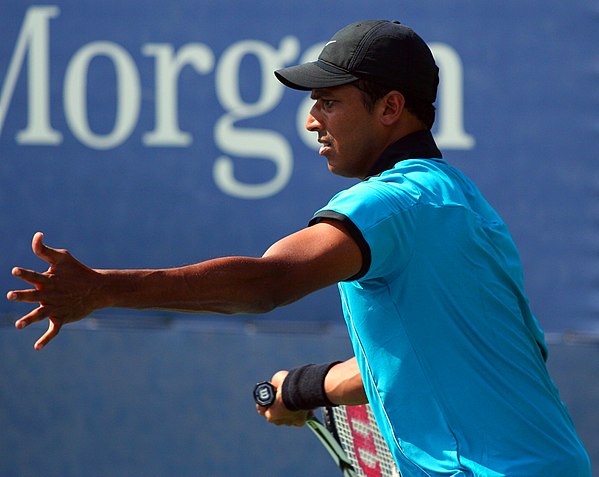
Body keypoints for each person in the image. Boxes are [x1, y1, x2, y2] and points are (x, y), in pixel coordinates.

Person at [7, 20, 590, 477]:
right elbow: (421, 364)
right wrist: (303, 387)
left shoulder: (392, 203)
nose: (312, 120)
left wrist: (103, 289)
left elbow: (267, 283)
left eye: (330, 102)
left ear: (390, 108)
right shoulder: (466, 207)